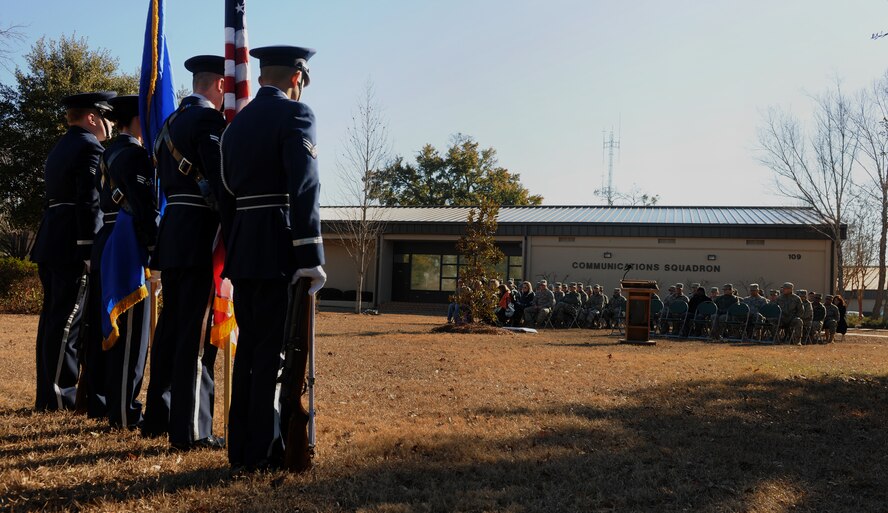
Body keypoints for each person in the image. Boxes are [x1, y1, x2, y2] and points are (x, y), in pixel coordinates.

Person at [220, 45, 326, 472]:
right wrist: (310, 253)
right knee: (276, 353)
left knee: (249, 351)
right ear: (297, 77)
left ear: (264, 75)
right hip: (281, 246)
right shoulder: (297, 116)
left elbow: (227, 192)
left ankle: (242, 447)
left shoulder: (234, 126)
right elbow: (305, 187)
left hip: (245, 247)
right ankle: (266, 449)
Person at [142, 55, 228, 450]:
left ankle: (157, 416)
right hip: (198, 234)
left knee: (170, 328)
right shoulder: (209, 122)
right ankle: (192, 429)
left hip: (173, 231)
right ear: (221, 86)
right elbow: (219, 180)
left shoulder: (168, 125)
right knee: (195, 333)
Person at [31, 91, 116, 412]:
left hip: (52, 240)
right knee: (68, 322)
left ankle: (48, 394)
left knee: (53, 320)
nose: (110, 124)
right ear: (92, 118)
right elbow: (89, 202)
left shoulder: (63, 146)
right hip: (70, 245)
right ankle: (59, 396)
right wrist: (90, 249)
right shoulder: (89, 148)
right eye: (106, 116)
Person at [99, 95, 158, 428]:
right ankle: (124, 413)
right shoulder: (135, 156)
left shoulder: (108, 153)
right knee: (132, 340)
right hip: (129, 247)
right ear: (138, 120)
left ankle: (119, 407)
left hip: (109, 241)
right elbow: (143, 205)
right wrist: (155, 246)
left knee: (122, 338)